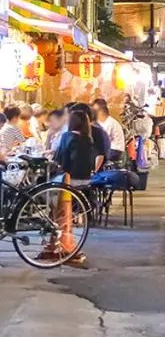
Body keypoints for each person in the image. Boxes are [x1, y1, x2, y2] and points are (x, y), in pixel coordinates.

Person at [50, 108, 98, 266]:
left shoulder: (66, 137)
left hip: (70, 180)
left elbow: (60, 160)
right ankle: (77, 216)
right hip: (87, 180)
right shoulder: (88, 139)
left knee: (49, 188)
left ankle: (55, 227)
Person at [92, 98, 127, 164]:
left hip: (115, 150)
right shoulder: (104, 122)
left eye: (95, 111)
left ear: (101, 112)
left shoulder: (109, 123)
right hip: (112, 149)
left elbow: (103, 141)